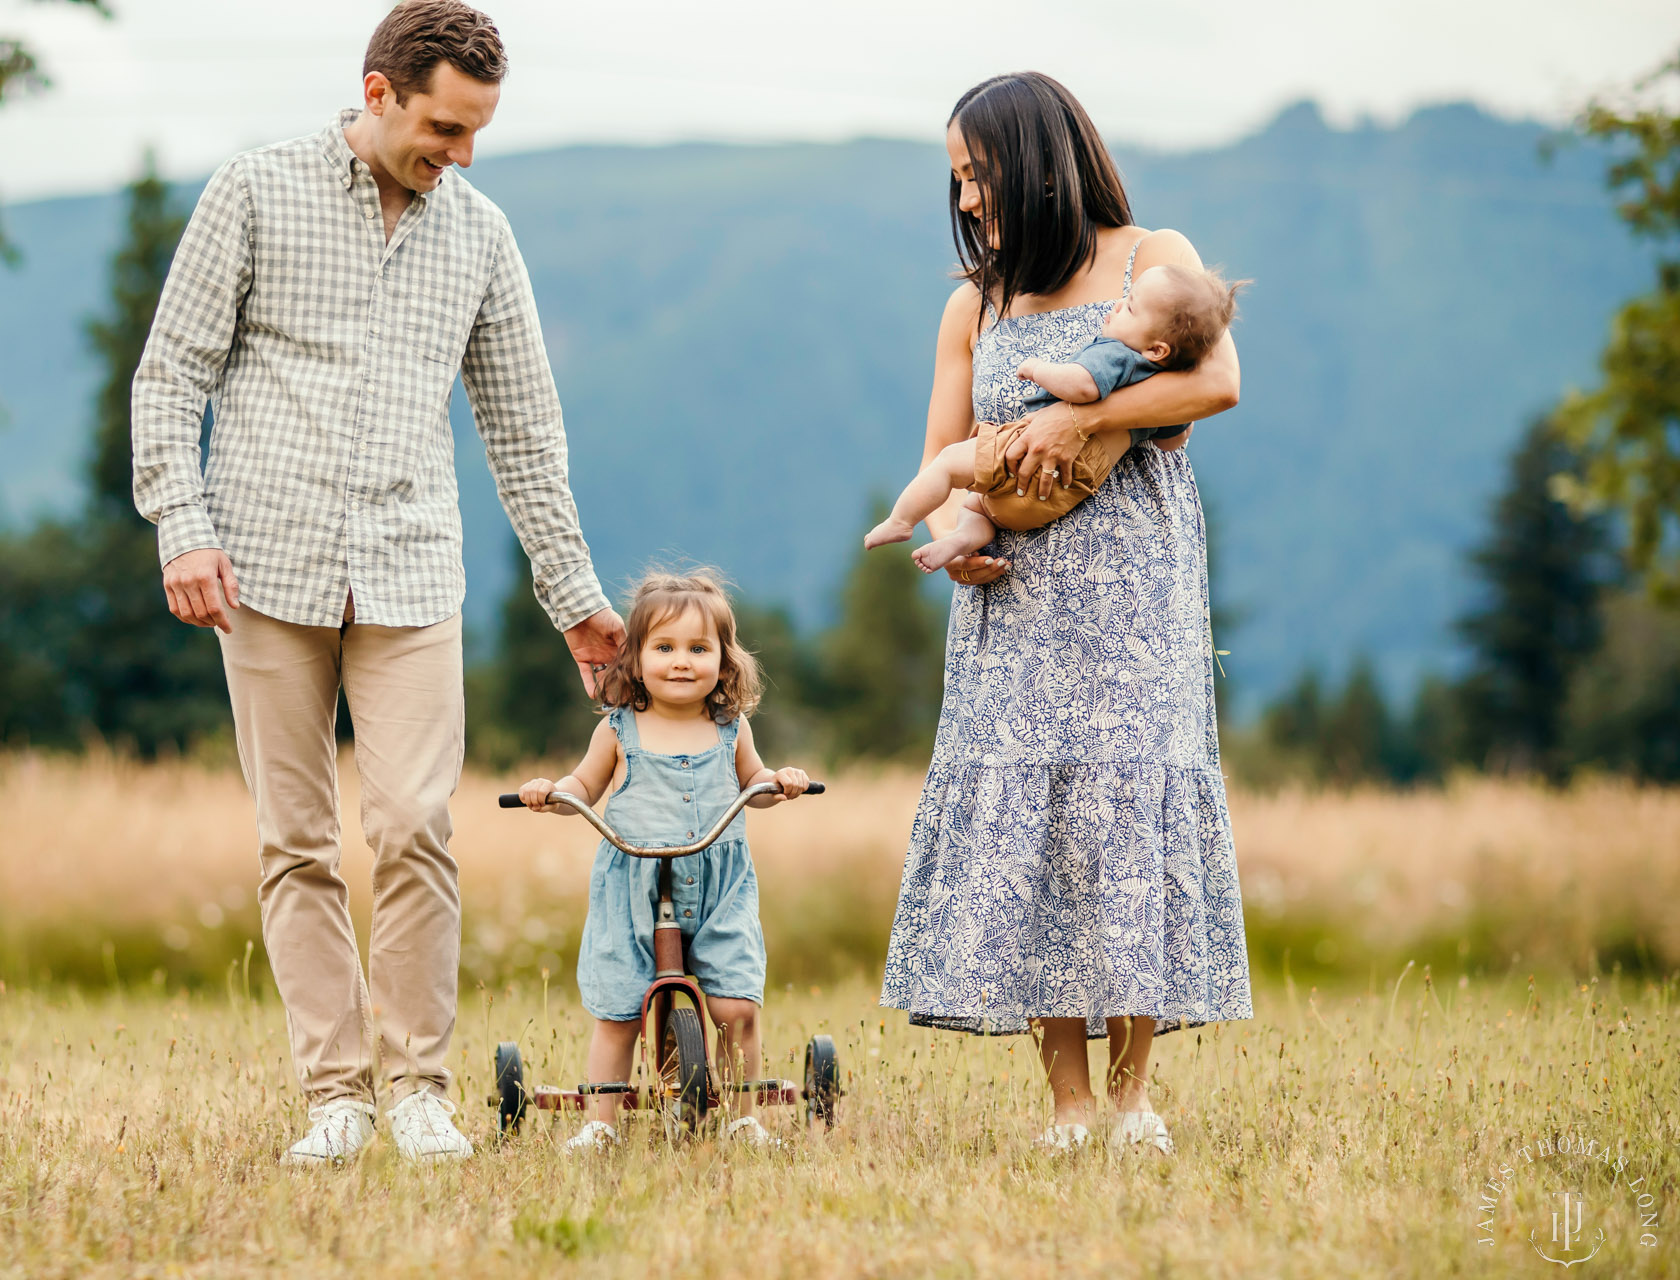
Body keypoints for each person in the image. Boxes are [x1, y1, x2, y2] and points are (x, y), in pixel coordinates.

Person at [131, 0, 624, 1166]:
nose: (459, 156)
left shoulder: (479, 234)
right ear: (378, 91)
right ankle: (335, 1098)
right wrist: (181, 526)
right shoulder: (251, 191)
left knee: (412, 825)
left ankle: (418, 1091)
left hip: (408, 572)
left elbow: (522, 430)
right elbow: (169, 376)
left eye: (475, 135)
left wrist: (575, 600)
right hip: (262, 564)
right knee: (295, 839)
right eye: (444, 129)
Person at [877, 72, 1255, 1157]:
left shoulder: (1150, 255)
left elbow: (1215, 382)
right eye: (953, 178)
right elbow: (939, 457)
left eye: (974, 171)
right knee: (1037, 830)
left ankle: (1134, 1095)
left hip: (1131, 587)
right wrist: (955, 531)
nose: (963, 196)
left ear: (1034, 161)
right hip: (1016, 595)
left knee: (1121, 816)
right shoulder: (974, 303)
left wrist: (1072, 419)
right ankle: (1068, 1103)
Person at [515, 571, 811, 1153]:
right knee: (619, 1007)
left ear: (724, 662)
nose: (682, 662)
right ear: (636, 658)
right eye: (665, 648)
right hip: (632, 883)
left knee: (735, 1005)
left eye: (699, 649)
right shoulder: (618, 730)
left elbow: (757, 784)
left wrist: (781, 781)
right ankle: (601, 1121)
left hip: (721, 884)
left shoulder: (731, 729)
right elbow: (583, 787)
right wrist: (551, 794)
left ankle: (743, 1117)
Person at [865, 263, 1245, 572]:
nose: (1116, 307)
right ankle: (962, 539)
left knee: (950, 464)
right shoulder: (1161, 385)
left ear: (1157, 347)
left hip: (1024, 458)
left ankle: (901, 520)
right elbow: (1172, 440)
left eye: (1129, 307)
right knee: (979, 507)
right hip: (1061, 493)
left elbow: (1080, 386)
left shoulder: (1117, 354)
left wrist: (1037, 369)